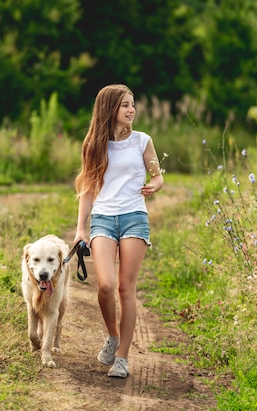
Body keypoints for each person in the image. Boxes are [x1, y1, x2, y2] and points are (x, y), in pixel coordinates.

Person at [73, 84, 164, 378]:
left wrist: (155, 186)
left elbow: (158, 174)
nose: (131, 109)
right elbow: (87, 189)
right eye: (125, 104)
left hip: (134, 216)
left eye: (132, 104)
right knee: (105, 286)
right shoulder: (93, 145)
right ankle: (113, 336)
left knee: (126, 288)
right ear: (110, 109)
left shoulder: (142, 141)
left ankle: (122, 357)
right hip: (103, 217)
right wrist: (79, 229)